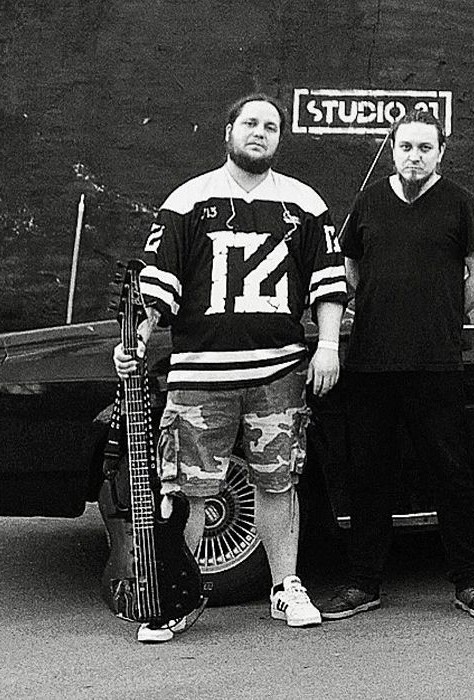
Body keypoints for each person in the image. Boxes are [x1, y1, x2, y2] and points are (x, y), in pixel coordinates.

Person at [114, 93, 347, 643]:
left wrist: (328, 346)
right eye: (250, 123)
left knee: (278, 481)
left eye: (271, 126)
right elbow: (157, 286)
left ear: (280, 137)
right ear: (228, 131)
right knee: (188, 489)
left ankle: (286, 585)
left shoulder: (304, 203)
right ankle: (173, 595)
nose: (259, 133)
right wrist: (137, 339)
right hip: (201, 375)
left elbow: (328, 283)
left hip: (277, 371)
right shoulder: (188, 200)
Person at [315, 110, 474, 621]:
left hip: (436, 363)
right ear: (393, 150)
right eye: (405, 147)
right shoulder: (369, 201)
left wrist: (441, 314)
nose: (414, 157)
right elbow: (350, 267)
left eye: (424, 148)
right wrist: (380, 305)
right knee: (369, 475)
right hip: (372, 361)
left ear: (440, 152)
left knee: (451, 474)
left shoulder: (461, 203)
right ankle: (363, 583)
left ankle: (470, 582)